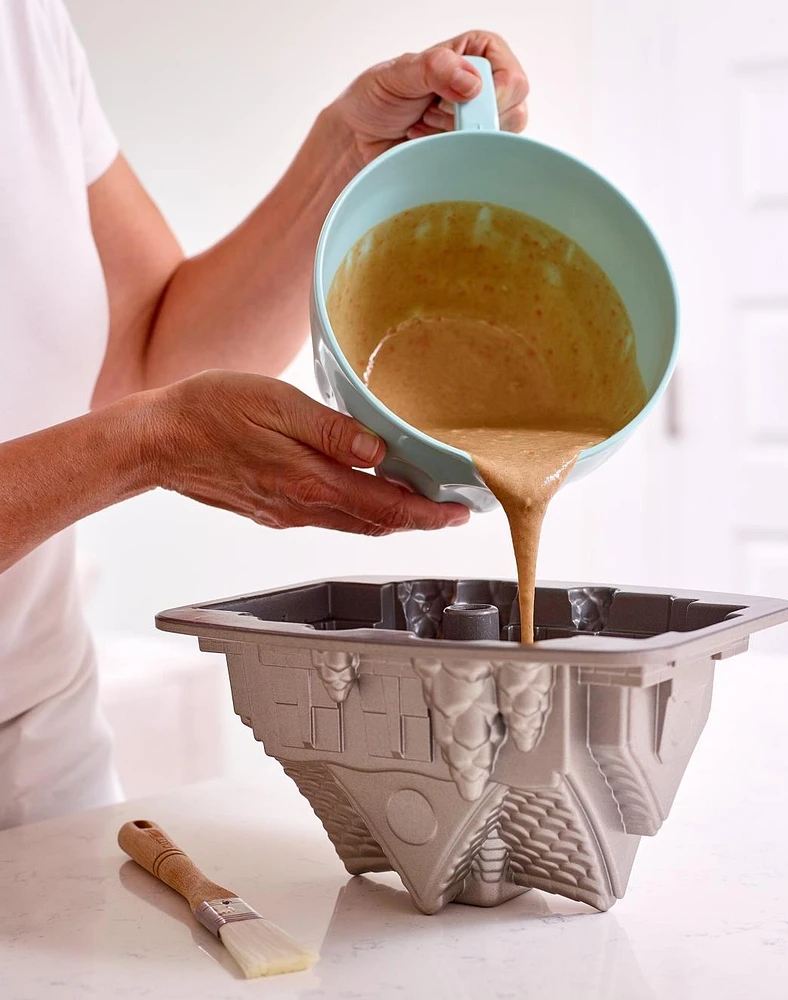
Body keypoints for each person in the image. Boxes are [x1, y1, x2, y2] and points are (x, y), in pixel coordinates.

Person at [0, 0, 530, 830]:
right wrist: (148, 444)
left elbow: (150, 350)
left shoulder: (25, 27)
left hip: (36, 739)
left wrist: (349, 157)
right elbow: (150, 410)